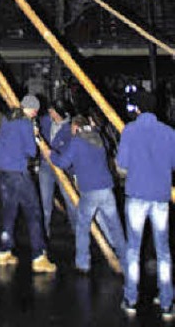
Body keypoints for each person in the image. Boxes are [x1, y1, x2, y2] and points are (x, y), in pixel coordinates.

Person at [116, 90, 175, 318]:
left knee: (133, 250)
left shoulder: (130, 131)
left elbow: (122, 163)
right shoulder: (169, 132)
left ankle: (131, 299)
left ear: (138, 109)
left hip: (136, 196)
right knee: (163, 252)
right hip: (160, 197)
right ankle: (167, 302)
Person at [51, 114, 126, 275]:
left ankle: (83, 263)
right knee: (115, 227)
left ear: (76, 126)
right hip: (107, 189)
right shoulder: (98, 138)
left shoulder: (77, 142)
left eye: (72, 128)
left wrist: (51, 155)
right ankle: (126, 259)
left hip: (90, 190)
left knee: (83, 226)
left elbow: (63, 163)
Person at [0, 93, 56, 273]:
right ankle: (38, 256)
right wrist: (35, 136)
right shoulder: (26, 123)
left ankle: (4, 251)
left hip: (2, 170)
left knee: (10, 210)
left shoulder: (8, 118)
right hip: (17, 171)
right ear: (32, 109)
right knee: (34, 211)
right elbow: (31, 151)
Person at [38, 99, 77, 236]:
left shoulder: (70, 129)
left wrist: (52, 154)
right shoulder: (46, 121)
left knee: (70, 200)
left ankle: (76, 230)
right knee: (45, 201)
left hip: (63, 168)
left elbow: (68, 154)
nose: (50, 112)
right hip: (46, 166)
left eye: (52, 111)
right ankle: (44, 234)